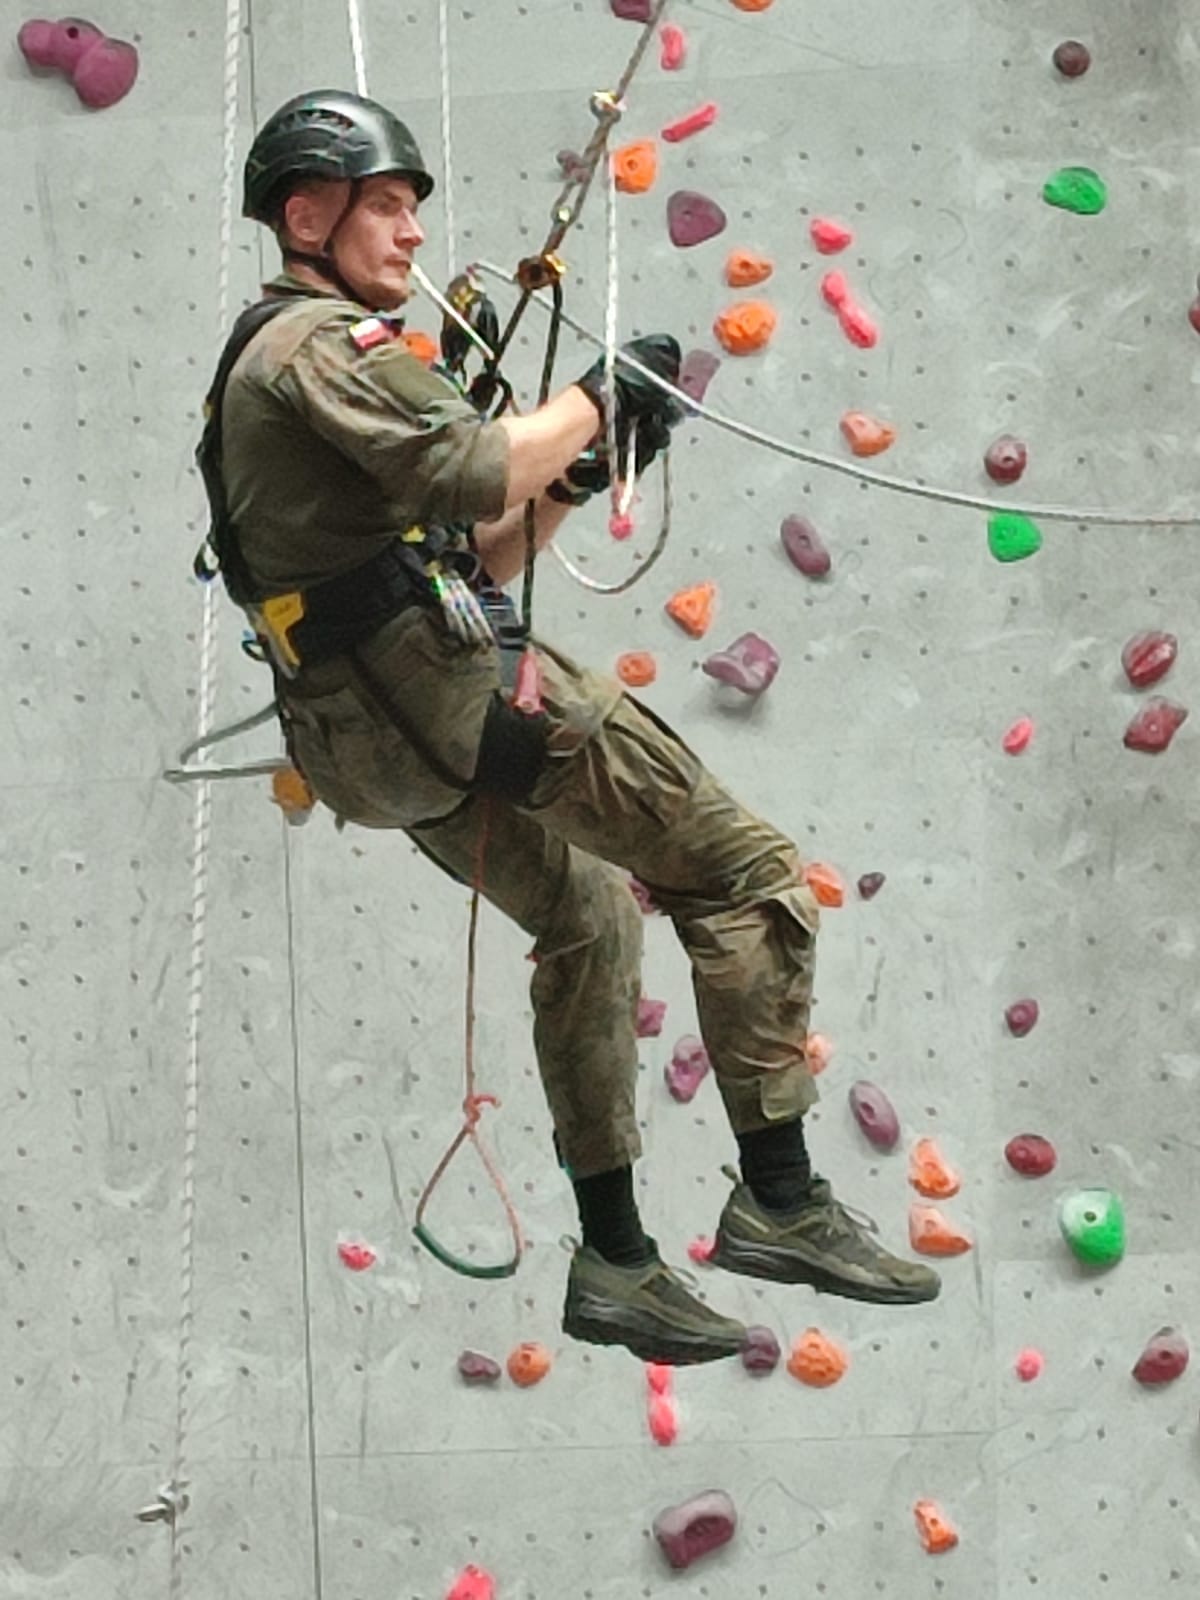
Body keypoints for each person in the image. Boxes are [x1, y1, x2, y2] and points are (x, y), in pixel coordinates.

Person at [208, 88, 940, 1368]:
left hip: (380, 739)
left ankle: (615, 1260)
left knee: (593, 914)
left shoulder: (287, 372)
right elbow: (477, 464)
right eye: (387, 207)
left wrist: (582, 471)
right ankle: (780, 1194)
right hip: (450, 700)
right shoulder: (316, 343)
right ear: (306, 216)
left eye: (412, 210)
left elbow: (470, 550)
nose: (412, 233)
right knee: (751, 873)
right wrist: (598, 395)